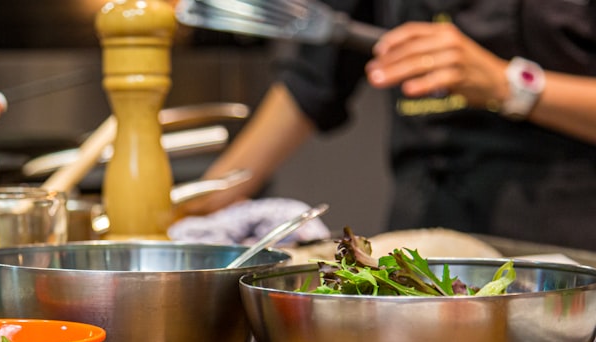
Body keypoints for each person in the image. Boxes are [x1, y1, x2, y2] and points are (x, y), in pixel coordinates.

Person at [181, 1, 596, 251]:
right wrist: (196, 206)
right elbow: (308, 85)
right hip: (422, 243)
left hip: (568, 255)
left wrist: (511, 86)